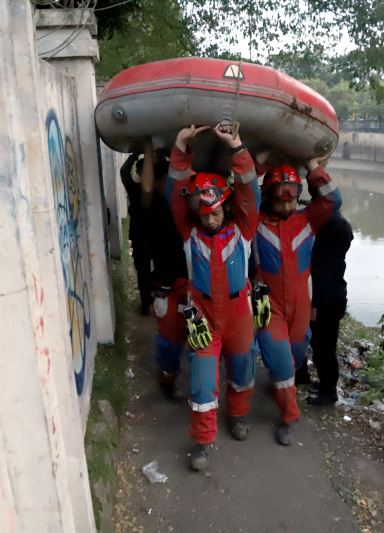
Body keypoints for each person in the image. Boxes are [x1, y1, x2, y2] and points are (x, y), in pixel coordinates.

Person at [167, 123, 260, 471]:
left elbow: (251, 190)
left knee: (244, 370)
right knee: (203, 381)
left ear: (227, 207)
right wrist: (181, 145)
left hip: (239, 315)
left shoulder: (243, 229)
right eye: (204, 215)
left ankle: (238, 415)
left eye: (216, 213)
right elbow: (175, 193)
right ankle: (203, 443)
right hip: (203, 315)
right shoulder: (190, 233)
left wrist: (236, 147)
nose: (209, 220)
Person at [252, 157, 342, 444]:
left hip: (302, 303)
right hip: (269, 303)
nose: (288, 207)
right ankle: (290, 417)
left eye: (292, 201)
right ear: (267, 197)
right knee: (279, 359)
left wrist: (313, 167)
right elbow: (244, 195)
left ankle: (282, 383)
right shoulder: (254, 219)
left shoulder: (308, 219)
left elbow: (333, 200)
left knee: (296, 353)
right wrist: (258, 167)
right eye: (281, 202)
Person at [132, 140, 189, 400]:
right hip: (167, 288)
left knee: (201, 341)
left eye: (169, 180)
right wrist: (147, 150)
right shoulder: (151, 208)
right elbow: (145, 187)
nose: (165, 185)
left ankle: (202, 387)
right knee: (169, 341)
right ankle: (167, 380)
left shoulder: (190, 206)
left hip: (193, 290)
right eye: (160, 180)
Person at [296, 212, 353, 406]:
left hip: (326, 301)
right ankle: (302, 375)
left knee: (323, 347)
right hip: (321, 297)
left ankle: (328, 390)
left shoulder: (333, 234)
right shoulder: (331, 232)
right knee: (302, 337)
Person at [120, 153, 154, 315]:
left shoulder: (160, 188)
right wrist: (135, 154)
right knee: (142, 271)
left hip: (156, 236)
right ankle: (146, 302)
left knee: (155, 269)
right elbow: (124, 171)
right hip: (141, 237)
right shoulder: (135, 189)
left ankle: (152, 298)